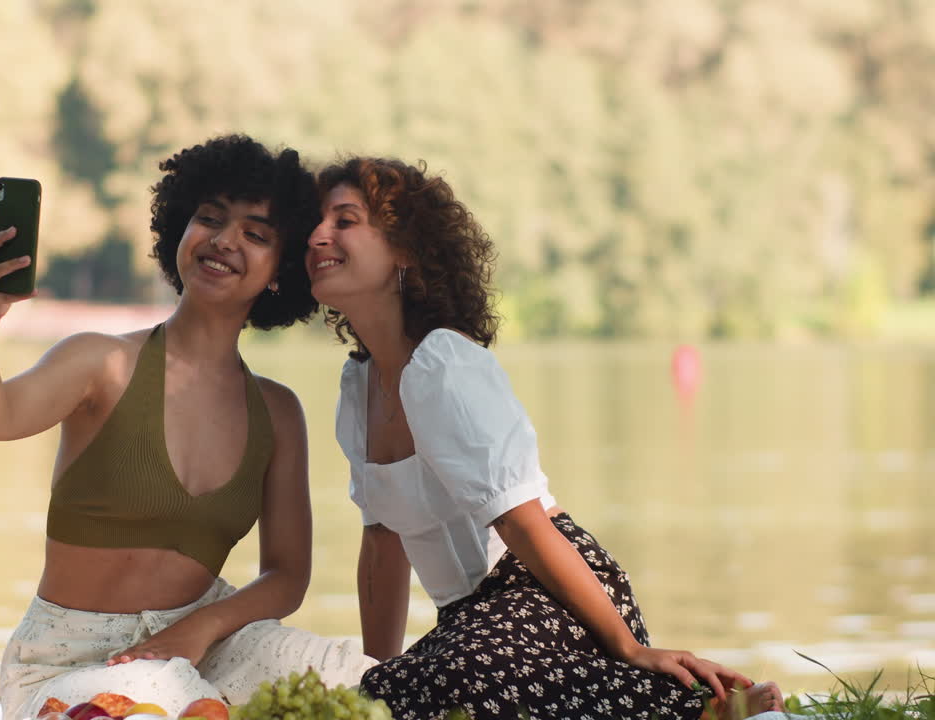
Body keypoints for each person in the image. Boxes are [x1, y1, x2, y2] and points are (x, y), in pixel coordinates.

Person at [305, 156, 786, 720]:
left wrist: (629, 648)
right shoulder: (357, 389)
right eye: (317, 223)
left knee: (461, 678)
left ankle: (694, 708)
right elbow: (382, 547)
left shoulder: (444, 364)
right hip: (472, 625)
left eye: (344, 221)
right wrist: (378, 678)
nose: (317, 236)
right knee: (389, 693)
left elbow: (521, 521)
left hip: (547, 590)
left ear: (405, 250)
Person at [0, 136, 374, 720]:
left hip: (207, 642)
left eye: (255, 234)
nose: (224, 240)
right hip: (67, 663)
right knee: (173, 701)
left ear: (280, 271)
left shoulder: (278, 412)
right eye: (210, 219)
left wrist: (200, 629)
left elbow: (287, 576)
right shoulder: (102, 361)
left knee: (354, 681)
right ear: (180, 229)